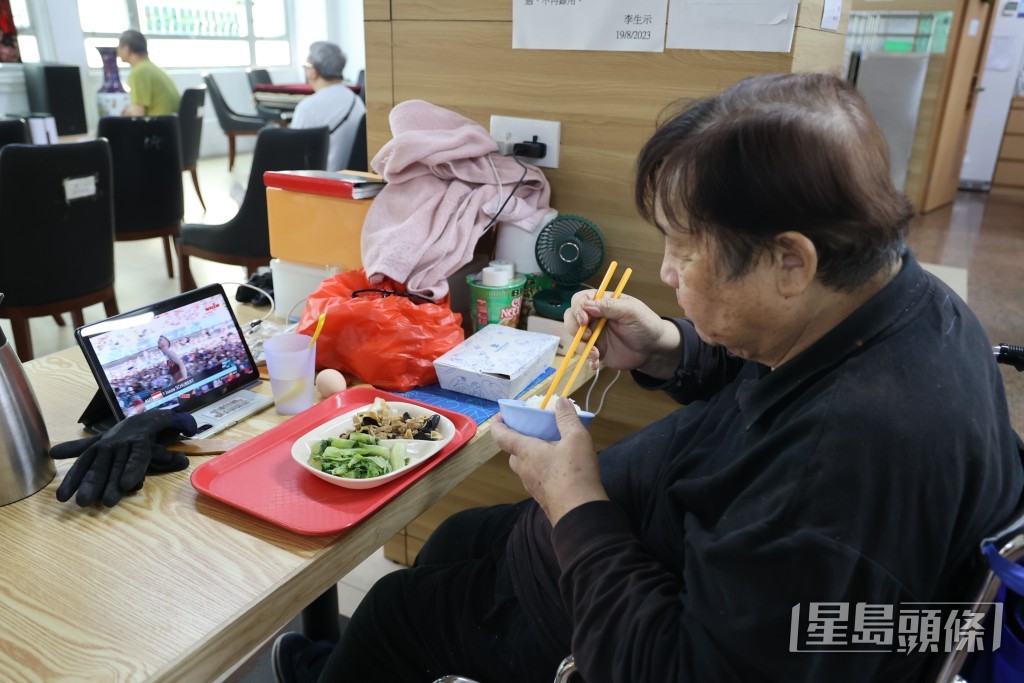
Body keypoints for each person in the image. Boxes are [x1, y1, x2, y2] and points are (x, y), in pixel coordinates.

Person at [273, 73, 1024, 682]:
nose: (665, 271)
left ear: (791, 261)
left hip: (625, 615)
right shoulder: (893, 298)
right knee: (460, 538)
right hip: (656, 536)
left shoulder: (854, 462)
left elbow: (682, 665)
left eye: (682, 249)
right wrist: (670, 347)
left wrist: (573, 499)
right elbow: (781, 369)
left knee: (395, 610)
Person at [290, 41, 365, 172]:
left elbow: (293, 155)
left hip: (321, 181)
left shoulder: (308, 107)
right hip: (352, 180)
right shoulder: (356, 100)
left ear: (313, 72)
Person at [116, 29, 180, 116]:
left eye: (119, 47)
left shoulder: (139, 73)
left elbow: (138, 115)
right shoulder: (154, 69)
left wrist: (127, 113)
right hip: (171, 126)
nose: (117, 51)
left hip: (158, 127)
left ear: (127, 49)